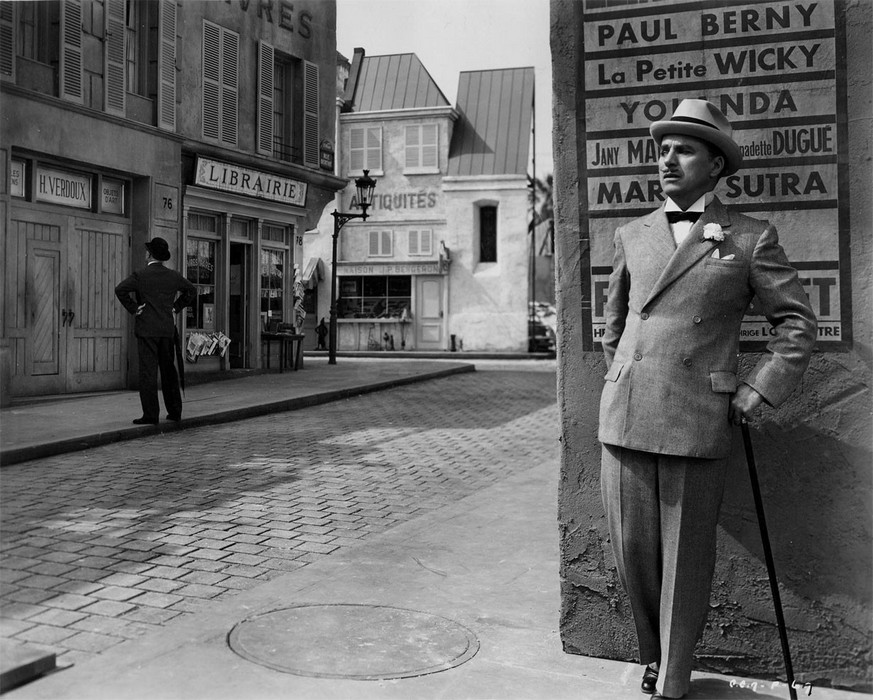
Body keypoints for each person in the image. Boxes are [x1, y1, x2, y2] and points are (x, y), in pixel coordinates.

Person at [597, 99, 816, 699]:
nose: (668, 158)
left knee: (684, 557)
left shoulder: (748, 237)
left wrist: (756, 387)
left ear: (716, 166)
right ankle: (651, 653)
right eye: (662, 148)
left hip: (698, 415)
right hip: (627, 412)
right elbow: (613, 325)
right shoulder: (631, 233)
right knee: (633, 550)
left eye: (684, 148)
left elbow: (797, 325)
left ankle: (673, 675)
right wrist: (621, 377)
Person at [115, 237, 197, 425]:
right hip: (167, 329)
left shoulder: (140, 275)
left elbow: (120, 289)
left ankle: (151, 414)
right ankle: (175, 411)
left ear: (149, 254)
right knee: (169, 371)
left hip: (146, 330)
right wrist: (175, 307)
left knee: (148, 373)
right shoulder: (173, 276)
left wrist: (135, 308)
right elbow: (191, 291)